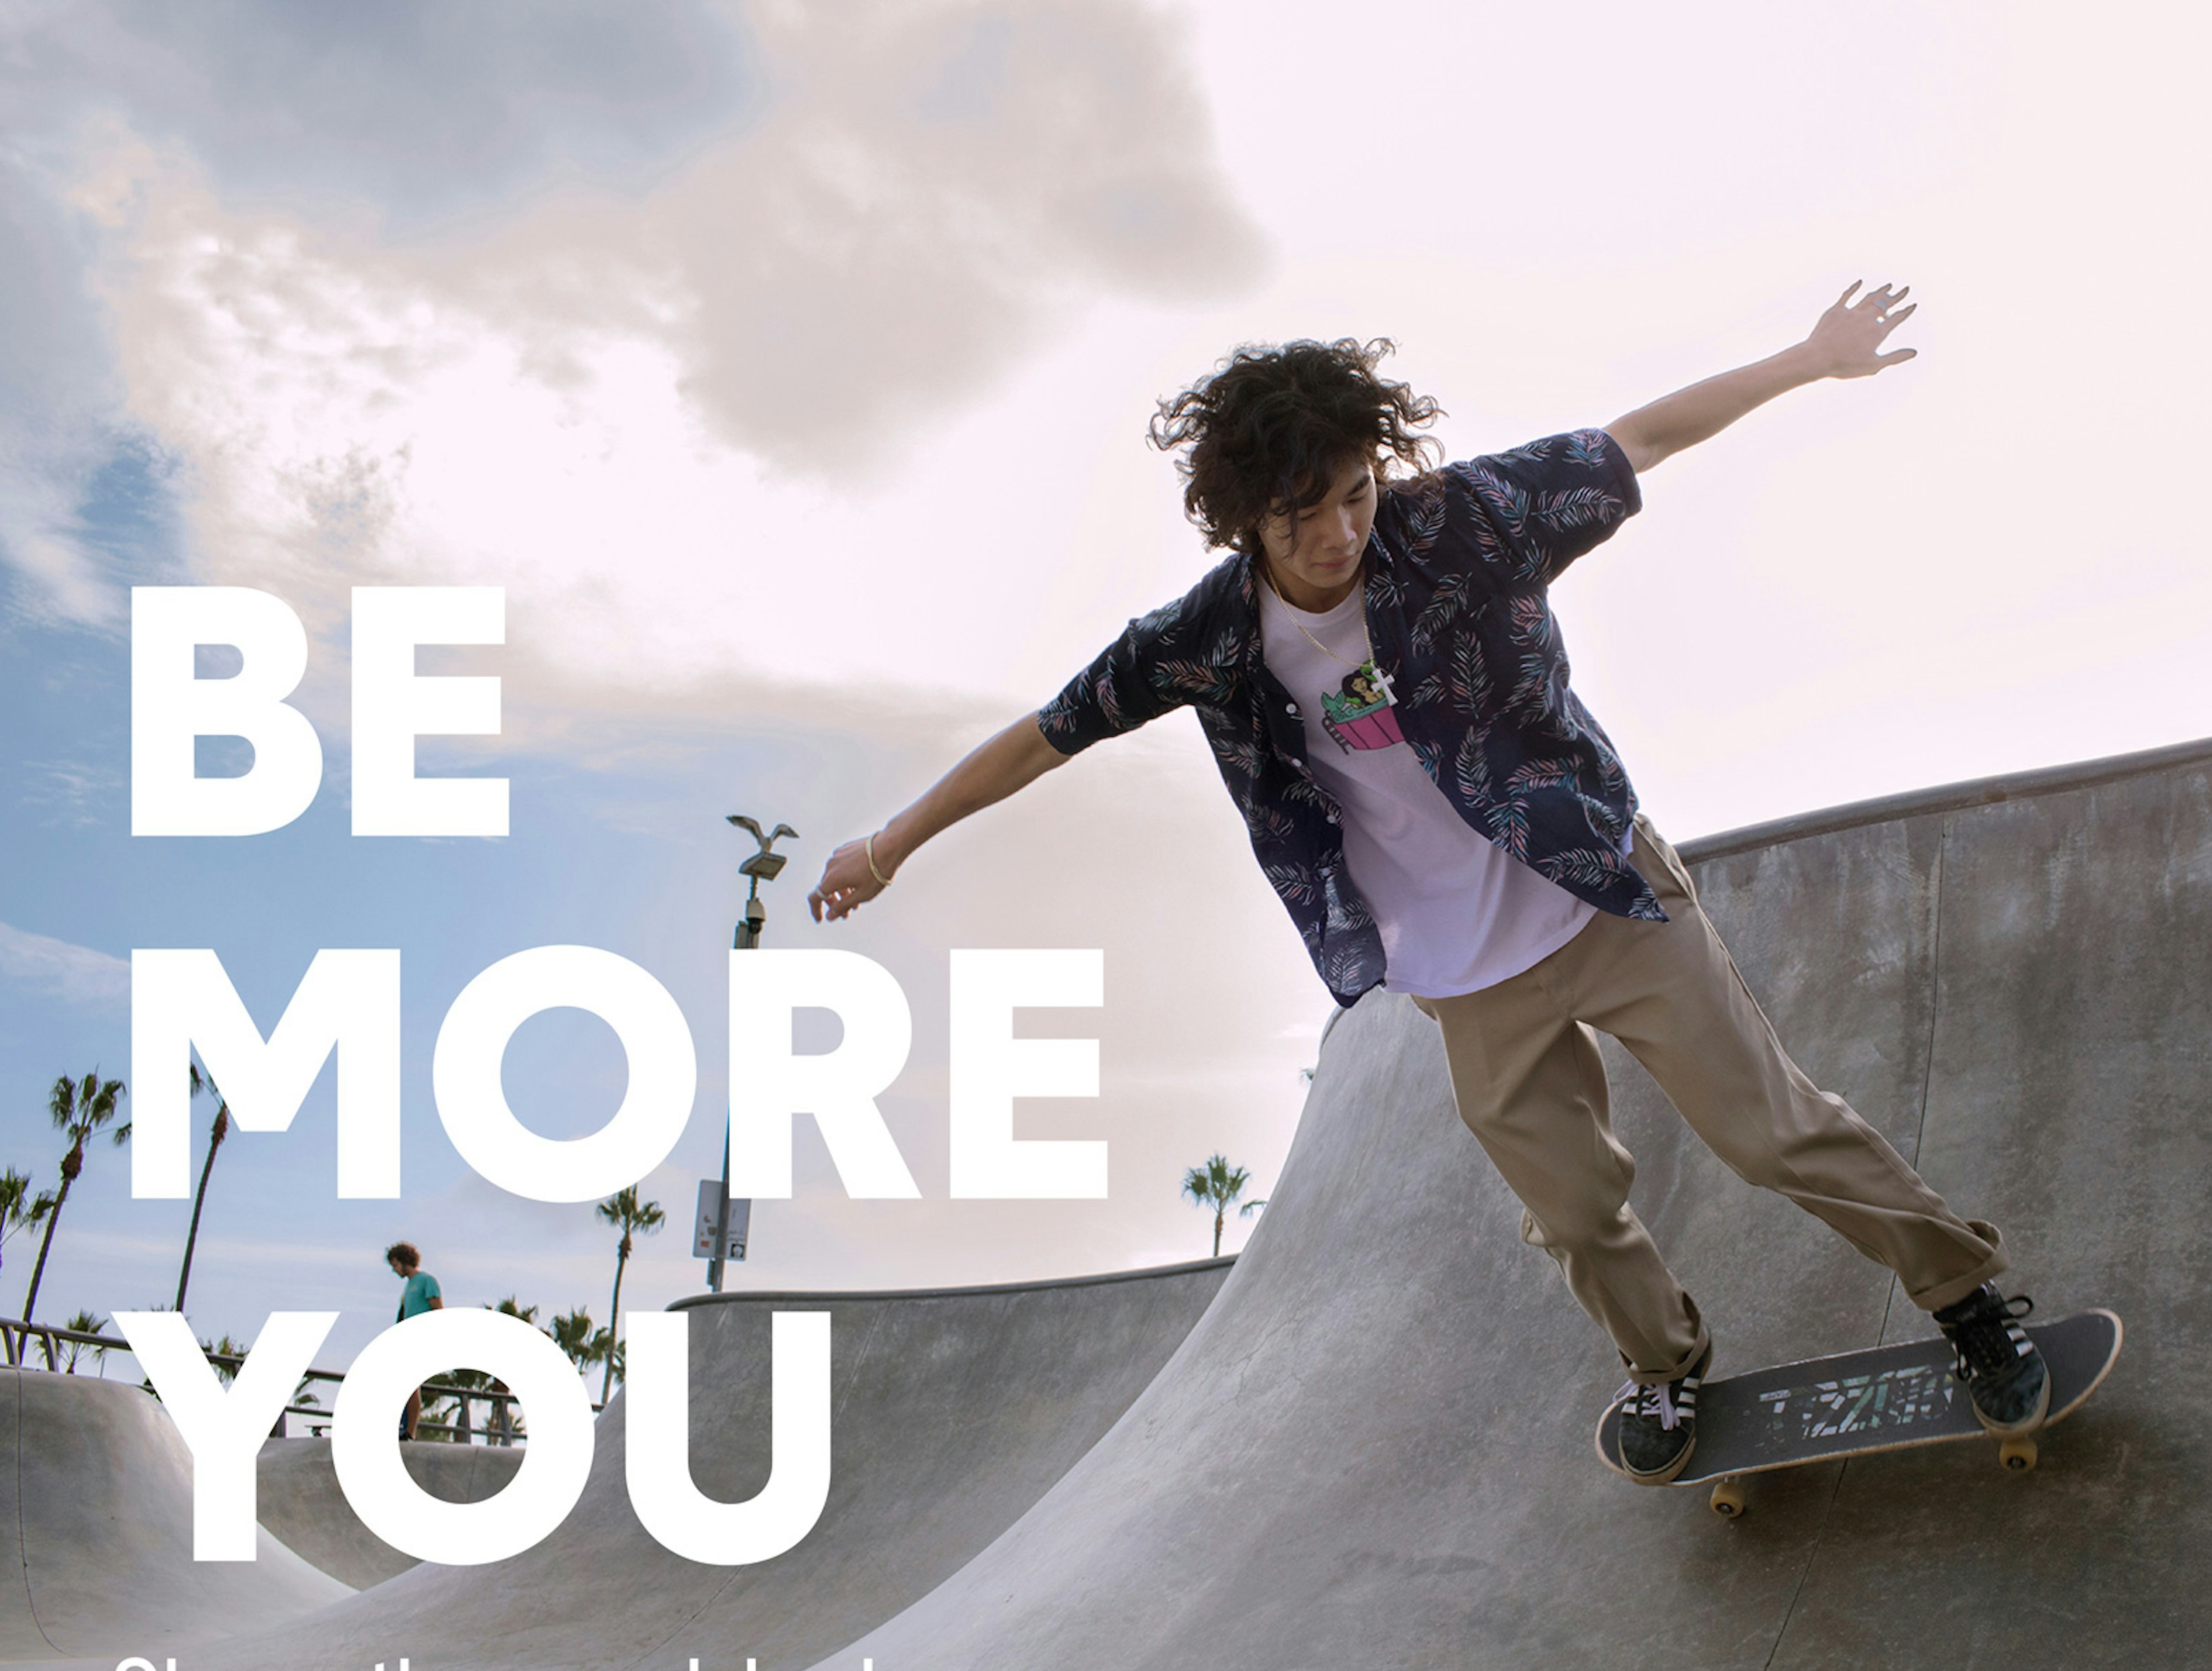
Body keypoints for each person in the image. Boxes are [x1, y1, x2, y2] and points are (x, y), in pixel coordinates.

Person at [808, 284, 2047, 1482]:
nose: (1338, 534)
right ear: (1245, 519)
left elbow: (1640, 439)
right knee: (1572, 1210)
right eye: (1300, 516)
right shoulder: (1205, 637)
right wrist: (893, 842)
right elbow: (1050, 733)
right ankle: (1664, 1366)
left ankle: (1965, 1295)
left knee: (1767, 1129)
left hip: (1596, 882)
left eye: (1355, 494)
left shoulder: (1463, 520)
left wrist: (1808, 358)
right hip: (1462, 966)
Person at [384, 1241, 441, 1441]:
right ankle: (402, 1427)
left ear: (403, 1261)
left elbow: (438, 1311)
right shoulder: (408, 1286)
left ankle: (410, 1431)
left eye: (395, 1265)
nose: (394, 1270)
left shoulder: (426, 1281)